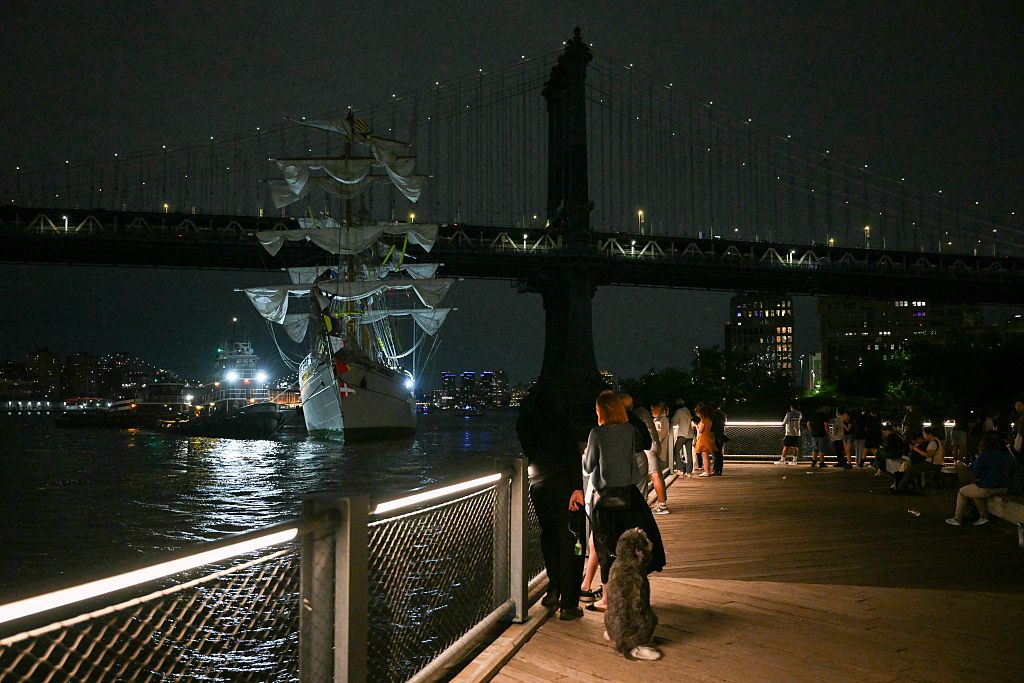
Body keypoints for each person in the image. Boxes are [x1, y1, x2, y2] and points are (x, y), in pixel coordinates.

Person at [583, 392, 666, 612]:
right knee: (627, 547)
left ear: (602, 411)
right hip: (630, 497)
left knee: (605, 549)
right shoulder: (629, 430)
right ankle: (631, 593)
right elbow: (632, 464)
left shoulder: (597, 434)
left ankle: (607, 600)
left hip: (606, 499)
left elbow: (588, 467)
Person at [516, 386, 586, 621]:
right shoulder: (561, 421)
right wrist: (578, 486)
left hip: (539, 486)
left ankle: (554, 588)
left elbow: (528, 450)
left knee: (549, 536)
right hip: (565, 487)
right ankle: (569, 604)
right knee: (571, 540)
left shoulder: (525, 424)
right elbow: (572, 455)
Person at [946, 433, 1015, 526]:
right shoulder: (1007, 454)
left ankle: (958, 518)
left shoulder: (985, 455)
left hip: (988, 487)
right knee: (975, 490)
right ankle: (983, 517)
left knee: (962, 492)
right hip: (1004, 486)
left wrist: (977, 459)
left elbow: (975, 472)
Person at [621, 394, 667, 513]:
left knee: (654, 474)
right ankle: (657, 504)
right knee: (653, 475)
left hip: (648, 448)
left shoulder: (637, 414)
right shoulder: (643, 412)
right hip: (653, 445)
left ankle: (662, 505)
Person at [896, 424, 945, 493]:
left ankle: (901, 488)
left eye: (924, 434)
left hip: (933, 464)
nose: (923, 436)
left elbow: (929, 455)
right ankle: (912, 487)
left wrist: (915, 449)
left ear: (929, 434)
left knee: (911, 469)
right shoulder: (935, 441)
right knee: (913, 467)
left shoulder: (933, 443)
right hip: (933, 463)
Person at [670, 399, 694, 476]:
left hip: (682, 434)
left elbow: (674, 421)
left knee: (676, 450)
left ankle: (680, 468)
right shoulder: (687, 410)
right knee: (689, 453)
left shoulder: (679, 411)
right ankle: (689, 471)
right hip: (690, 435)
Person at [694, 404, 716, 477]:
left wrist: (696, 426)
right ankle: (707, 471)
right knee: (706, 456)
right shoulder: (709, 420)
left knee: (704, 456)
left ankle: (706, 472)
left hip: (703, 439)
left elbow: (700, 430)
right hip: (707, 438)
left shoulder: (703, 421)